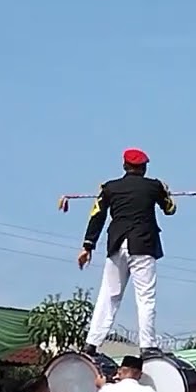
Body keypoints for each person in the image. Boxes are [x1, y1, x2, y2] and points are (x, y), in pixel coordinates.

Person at [78, 148, 178, 357]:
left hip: (116, 244)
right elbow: (169, 209)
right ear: (144, 168)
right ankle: (147, 345)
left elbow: (97, 216)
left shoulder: (109, 188)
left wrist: (88, 246)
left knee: (109, 295)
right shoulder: (154, 186)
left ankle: (92, 343)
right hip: (143, 244)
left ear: (124, 166)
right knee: (145, 297)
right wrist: (165, 191)